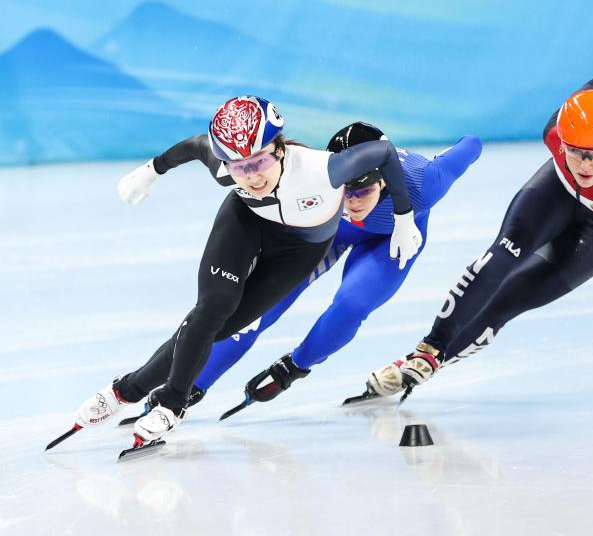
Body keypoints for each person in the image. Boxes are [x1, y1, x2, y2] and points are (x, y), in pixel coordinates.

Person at [68, 96, 423, 446]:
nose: (251, 175)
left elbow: (384, 153)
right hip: (247, 221)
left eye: (259, 161)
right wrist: (151, 170)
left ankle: (127, 387)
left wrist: (404, 217)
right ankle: (165, 402)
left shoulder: (324, 169)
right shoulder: (225, 169)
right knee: (212, 308)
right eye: (239, 167)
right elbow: (195, 145)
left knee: (225, 327)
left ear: (279, 149)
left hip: (300, 249)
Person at [358, 74, 593, 400]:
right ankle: (428, 352)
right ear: (561, 140)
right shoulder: (554, 131)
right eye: (575, 151)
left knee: (510, 299)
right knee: (499, 259)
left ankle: (427, 364)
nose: (584, 164)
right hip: (557, 192)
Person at [128, 122, 481, 416]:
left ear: (386, 181)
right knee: (255, 308)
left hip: (392, 240)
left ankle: (294, 367)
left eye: (364, 191)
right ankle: (193, 384)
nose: (353, 201)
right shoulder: (322, 175)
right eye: (347, 191)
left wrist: (291, 369)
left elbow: (472, 144)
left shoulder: (427, 181)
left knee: (352, 305)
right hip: (330, 230)